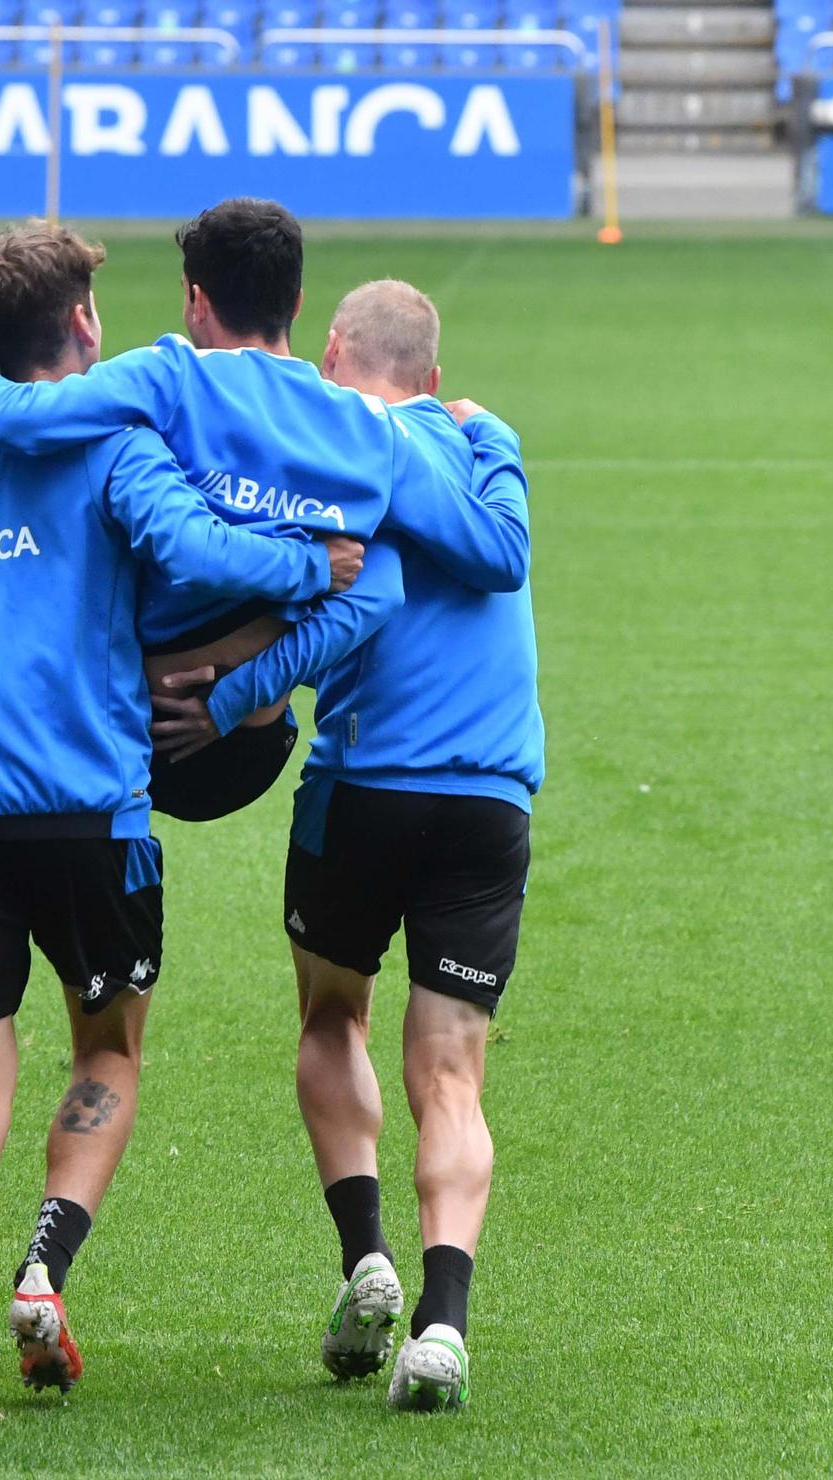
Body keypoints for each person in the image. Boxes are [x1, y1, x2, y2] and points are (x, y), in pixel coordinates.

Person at [0, 222, 364, 1432]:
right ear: (88, 329)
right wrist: (314, 562)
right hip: (89, 815)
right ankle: (42, 1270)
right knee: (104, 1054)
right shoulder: (113, 442)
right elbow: (198, 548)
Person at [204, 281, 542, 1412]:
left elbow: (282, 596)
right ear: (433, 378)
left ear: (335, 352)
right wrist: (485, 430)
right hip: (488, 797)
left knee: (330, 1015)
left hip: (363, 785)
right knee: (449, 1070)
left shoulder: (328, 445)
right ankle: (441, 1328)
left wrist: (217, 698)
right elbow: (498, 548)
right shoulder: (485, 449)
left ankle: (366, 1259)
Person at [0, 198, 528, 826]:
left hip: (140, 724)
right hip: (246, 739)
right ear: (299, 302)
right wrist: (492, 433)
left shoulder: (166, 377)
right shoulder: (369, 432)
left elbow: (25, 418)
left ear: (196, 301)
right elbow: (469, 564)